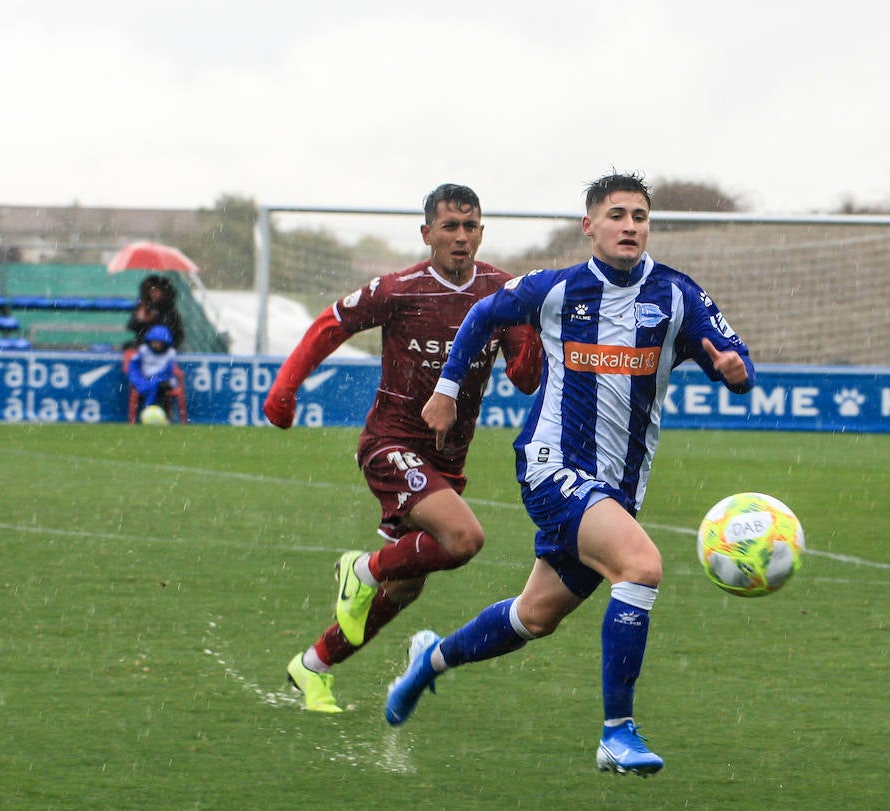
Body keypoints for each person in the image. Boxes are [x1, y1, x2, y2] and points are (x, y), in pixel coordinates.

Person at [397, 172, 755, 776]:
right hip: (552, 465)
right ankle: (617, 733)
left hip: (619, 487)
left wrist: (732, 368)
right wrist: (448, 389)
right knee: (640, 566)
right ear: (589, 225)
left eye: (640, 216)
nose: (631, 226)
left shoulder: (678, 295)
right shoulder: (556, 289)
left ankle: (430, 660)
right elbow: (483, 314)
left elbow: (736, 361)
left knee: (534, 617)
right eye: (617, 215)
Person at [264, 183, 541, 713]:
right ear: (427, 234)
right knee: (463, 539)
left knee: (406, 589)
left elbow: (524, 378)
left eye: (471, 227)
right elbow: (332, 323)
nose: (462, 238)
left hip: (447, 461)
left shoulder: (504, 293)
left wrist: (532, 338)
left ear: (482, 232)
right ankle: (361, 568)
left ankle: (313, 666)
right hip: (390, 444)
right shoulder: (401, 288)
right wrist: (285, 387)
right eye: (450, 227)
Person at [125, 324, 182, 421]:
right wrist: (141, 382)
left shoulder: (170, 353)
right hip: (145, 379)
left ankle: (165, 416)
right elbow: (133, 368)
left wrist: (155, 380)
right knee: (147, 389)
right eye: (154, 342)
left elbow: (168, 371)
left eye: (159, 342)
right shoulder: (143, 350)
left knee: (162, 389)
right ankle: (146, 414)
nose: (156, 345)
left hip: (164, 381)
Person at [124, 274, 185, 351]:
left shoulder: (169, 310)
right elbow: (132, 327)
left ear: (164, 292)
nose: (154, 293)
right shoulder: (143, 306)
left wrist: (154, 319)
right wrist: (140, 320)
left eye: (157, 291)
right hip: (143, 346)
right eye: (152, 290)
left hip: (165, 347)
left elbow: (176, 332)